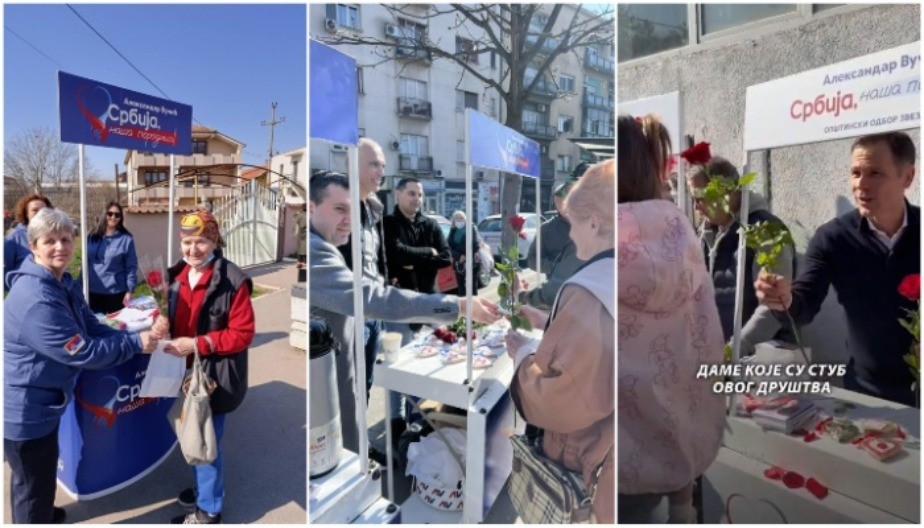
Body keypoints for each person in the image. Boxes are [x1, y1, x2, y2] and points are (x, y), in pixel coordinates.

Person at [309, 171, 501, 453]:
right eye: (339, 209)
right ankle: (386, 430)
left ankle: (371, 443)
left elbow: (442, 257)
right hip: (326, 389)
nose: (349, 221)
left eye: (352, 210)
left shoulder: (331, 245)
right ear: (312, 208)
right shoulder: (319, 253)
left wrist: (420, 263)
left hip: (388, 324)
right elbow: (377, 289)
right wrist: (457, 305)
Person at [4, 207, 166, 524]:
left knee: (39, 475)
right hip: (26, 411)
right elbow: (84, 352)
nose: (60, 247)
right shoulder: (37, 298)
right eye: (49, 240)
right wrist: (134, 344)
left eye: (65, 239)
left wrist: (131, 334)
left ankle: (43, 514)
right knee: (30, 484)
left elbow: (91, 326)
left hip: (44, 405)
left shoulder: (62, 281)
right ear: (33, 245)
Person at [755, 131, 920, 406]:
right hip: (867, 393)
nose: (861, 185)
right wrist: (784, 299)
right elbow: (804, 304)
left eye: (875, 173)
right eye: (855, 173)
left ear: (907, 177)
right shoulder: (833, 239)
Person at [616, 115, 726, 523]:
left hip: (617, 455)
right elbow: (704, 333)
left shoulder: (601, 238)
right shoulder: (679, 230)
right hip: (675, 448)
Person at [504, 160, 614, 523]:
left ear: (595, 222)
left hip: (590, 460)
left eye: (575, 222)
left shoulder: (592, 288)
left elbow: (562, 397)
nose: (570, 234)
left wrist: (522, 355)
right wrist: (549, 323)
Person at [163, 210, 256, 524]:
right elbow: (169, 316)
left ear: (214, 240)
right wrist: (159, 321)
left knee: (204, 442)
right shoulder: (176, 275)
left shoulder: (233, 280)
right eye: (187, 241)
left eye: (200, 241)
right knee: (191, 436)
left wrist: (197, 344)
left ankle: (209, 510)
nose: (193, 249)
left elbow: (242, 334)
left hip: (211, 378)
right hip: (182, 374)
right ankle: (203, 488)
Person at [687, 156, 796, 353]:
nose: (696, 207)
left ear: (726, 191)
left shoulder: (765, 230)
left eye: (700, 197)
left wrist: (734, 351)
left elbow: (772, 307)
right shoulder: (704, 233)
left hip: (759, 359)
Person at [382, 176, 452, 441]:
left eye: (420, 194)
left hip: (427, 302)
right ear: (398, 194)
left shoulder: (430, 224)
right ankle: (395, 419)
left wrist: (416, 260)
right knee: (396, 364)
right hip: (398, 305)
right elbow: (394, 253)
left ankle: (419, 416)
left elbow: (445, 257)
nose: (417, 199)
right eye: (411, 193)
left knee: (423, 361)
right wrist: (428, 254)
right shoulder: (388, 223)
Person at [336, 139, 389, 408]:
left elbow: (376, 260)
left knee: (365, 384)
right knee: (347, 390)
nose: (381, 171)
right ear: (351, 166)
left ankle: (361, 445)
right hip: (348, 317)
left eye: (383, 165)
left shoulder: (373, 209)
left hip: (372, 313)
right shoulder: (337, 209)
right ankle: (350, 445)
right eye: (374, 164)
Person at [519, 163, 588, 310]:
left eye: (565, 201)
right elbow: (532, 259)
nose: (562, 205)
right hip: (557, 292)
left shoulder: (591, 226)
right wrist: (552, 267)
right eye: (558, 202)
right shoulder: (546, 229)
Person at [86, 201, 139, 314]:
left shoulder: (126, 239)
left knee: (116, 328)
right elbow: (86, 263)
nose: (113, 217)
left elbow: (131, 266)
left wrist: (130, 290)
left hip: (116, 293)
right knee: (96, 327)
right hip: (93, 291)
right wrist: (80, 285)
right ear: (104, 214)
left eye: (117, 215)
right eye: (110, 214)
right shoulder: (91, 237)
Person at [4, 194, 52, 290]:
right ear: (26, 213)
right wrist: (22, 286)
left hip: (55, 291)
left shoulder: (53, 235)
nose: (40, 213)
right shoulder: (13, 239)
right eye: (35, 210)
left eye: (44, 210)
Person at [447, 210, 482, 296]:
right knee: (461, 287)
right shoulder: (453, 231)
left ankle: (474, 307)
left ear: (465, 219)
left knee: (473, 287)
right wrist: (459, 256)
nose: (459, 220)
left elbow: (475, 244)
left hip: (471, 262)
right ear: (454, 220)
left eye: (461, 218)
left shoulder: (471, 228)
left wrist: (466, 255)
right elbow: (449, 247)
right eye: (457, 218)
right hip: (459, 263)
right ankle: (462, 307)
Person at [294, 203, 307, 270]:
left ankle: (299, 262)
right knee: (305, 248)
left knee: (300, 248)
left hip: (300, 232)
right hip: (306, 232)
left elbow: (295, 220)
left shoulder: (300, 214)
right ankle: (304, 262)